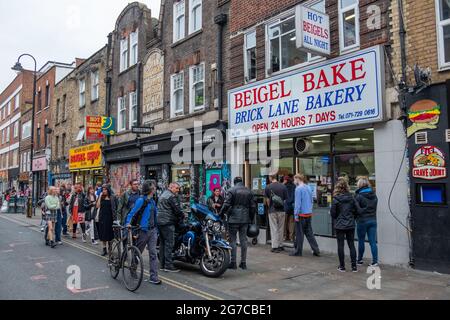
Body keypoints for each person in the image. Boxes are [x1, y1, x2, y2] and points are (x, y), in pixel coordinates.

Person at [126, 182, 161, 285]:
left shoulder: (153, 201)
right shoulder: (141, 200)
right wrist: (128, 223)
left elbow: (155, 216)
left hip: (152, 230)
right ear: (150, 189)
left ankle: (153, 277)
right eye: (153, 187)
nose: (155, 189)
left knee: (153, 253)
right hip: (143, 230)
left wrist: (156, 229)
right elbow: (132, 213)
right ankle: (133, 267)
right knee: (138, 252)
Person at [220, 177, 256, 270]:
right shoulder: (249, 191)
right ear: (241, 182)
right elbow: (253, 207)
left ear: (234, 182)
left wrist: (220, 214)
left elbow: (226, 204)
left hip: (233, 218)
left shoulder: (231, 190)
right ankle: (243, 263)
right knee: (243, 240)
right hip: (245, 219)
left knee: (232, 241)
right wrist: (251, 219)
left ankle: (233, 262)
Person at [330, 178, 358, 273]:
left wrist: (338, 218)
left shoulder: (336, 199)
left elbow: (333, 214)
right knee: (351, 245)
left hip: (340, 225)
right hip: (350, 224)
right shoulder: (352, 198)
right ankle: (354, 266)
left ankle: (342, 266)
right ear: (347, 187)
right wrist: (352, 217)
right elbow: (356, 210)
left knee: (340, 245)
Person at [291, 174, 320, 257]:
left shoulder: (298, 189)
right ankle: (316, 250)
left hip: (301, 214)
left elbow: (298, 204)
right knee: (309, 233)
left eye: (294, 179)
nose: (294, 181)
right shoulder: (308, 187)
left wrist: (296, 215)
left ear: (298, 179)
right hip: (308, 214)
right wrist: (310, 210)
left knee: (299, 234)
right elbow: (311, 200)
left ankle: (298, 251)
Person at [157, 183, 184, 273]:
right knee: (169, 244)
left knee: (162, 244)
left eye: (178, 188)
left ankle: (162, 264)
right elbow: (177, 210)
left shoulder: (163, 194)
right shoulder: (171, 196)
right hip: (168, 222)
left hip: (160, 222)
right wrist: (182, 215)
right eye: (176, 188)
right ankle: (168, 265)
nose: (178, 190)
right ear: (171, 187)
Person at [355, 177, 379, 267]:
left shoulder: (358, 196)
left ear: (360, 185)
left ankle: (360, 260)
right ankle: (375, 261)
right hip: (373, 220)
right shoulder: (374, 195)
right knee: (372, 241)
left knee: (361, 240)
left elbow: (356, 209)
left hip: (362, 221)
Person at [264, 175, 288, 253]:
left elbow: (267, 200)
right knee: (281, 228)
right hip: (282, 210)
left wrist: (270, 207)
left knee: (274, 228)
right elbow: (284, 200)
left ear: (270, 178)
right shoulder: (283, 186)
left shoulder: (268, 187)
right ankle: (281, 245)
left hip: (272, 210)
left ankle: (275, 246)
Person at [96, 185, 117, 256]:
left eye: (105, 189)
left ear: (108, 190)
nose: (104, 191)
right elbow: (97, 206)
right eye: (103, 190)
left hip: (110, 219)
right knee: (103, 234)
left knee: (110, 235)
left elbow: (115, 209)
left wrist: (115, 219)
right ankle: (104, 249)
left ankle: (110, 249)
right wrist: (99, 196)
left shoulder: (112, 197)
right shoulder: (101, 197)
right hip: (102, 218)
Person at [284, 175, 296, 242]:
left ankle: (285, 236)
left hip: (285, 206)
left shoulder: (284, 186)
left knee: (285, 222)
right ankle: (291, 237)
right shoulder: (294, 186)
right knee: (291, 222)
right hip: (292, 206)